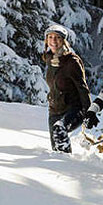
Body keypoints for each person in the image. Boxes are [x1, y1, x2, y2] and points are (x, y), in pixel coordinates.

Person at [43, 24, 91, 153]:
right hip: (54, 110)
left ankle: (68, 166)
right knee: (57, 149)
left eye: (57, 37)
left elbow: (82, 88)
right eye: (50, 37)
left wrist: (89, 112)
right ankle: (63, 167)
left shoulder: (72, 61)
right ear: (46, 40)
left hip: (73, 109)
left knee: (59, 129)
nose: (53, 41)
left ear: (63, 40)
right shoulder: (49, 59)